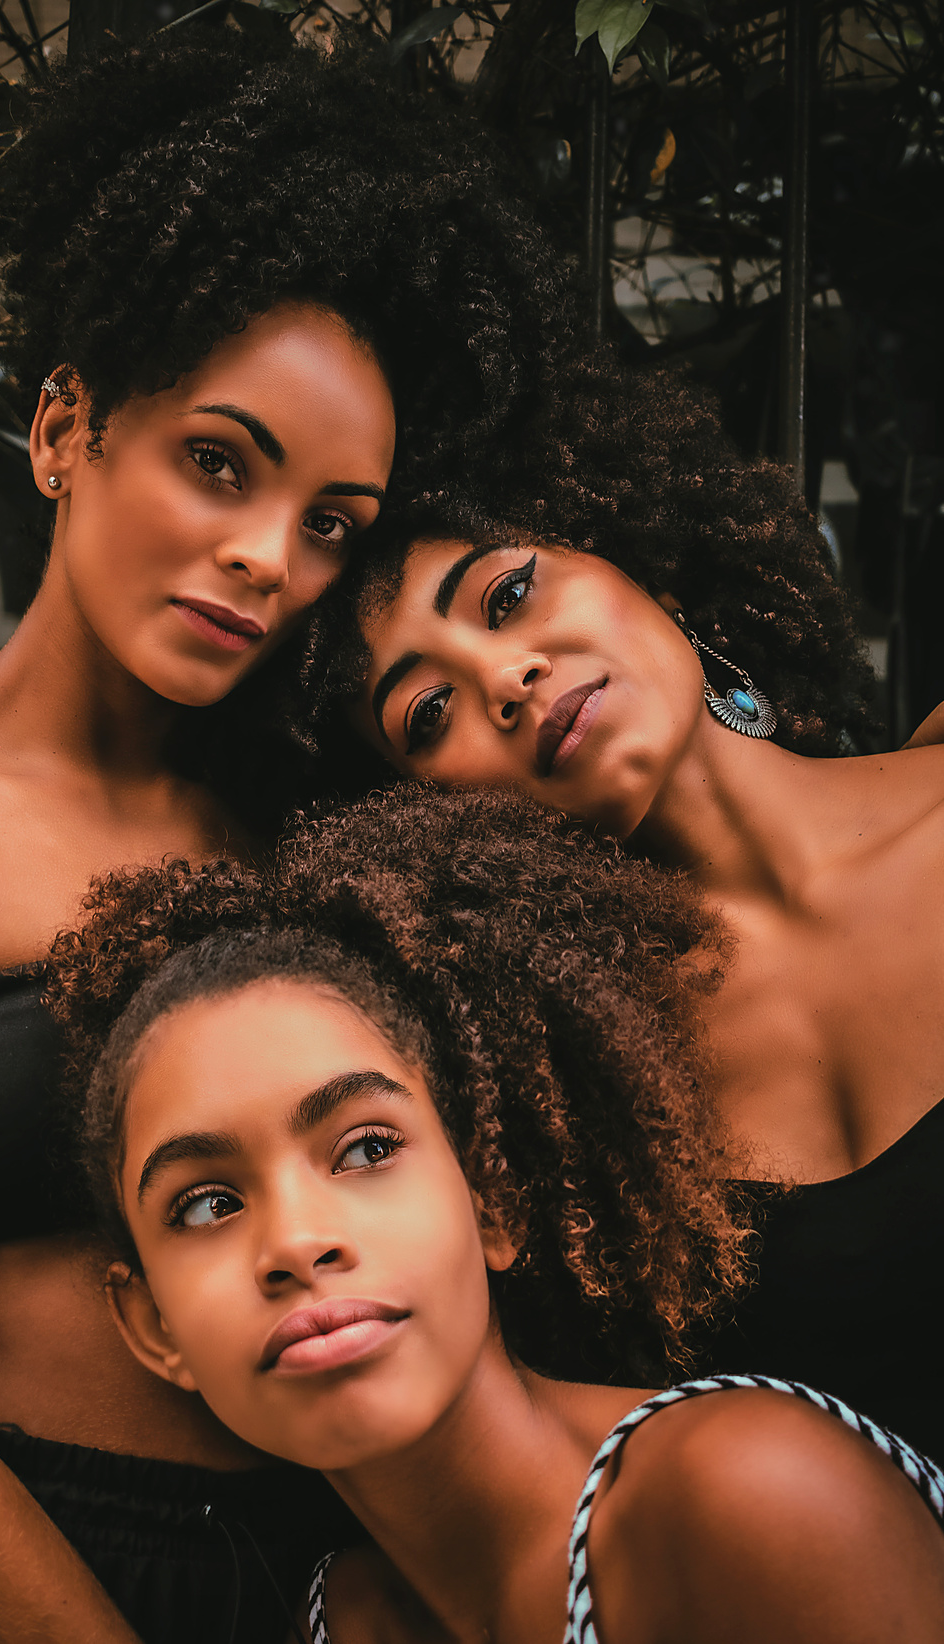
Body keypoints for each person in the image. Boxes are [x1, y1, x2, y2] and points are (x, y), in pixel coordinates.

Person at [0, 25, 572, 1644]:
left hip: (360, 1569)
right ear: (65, 426)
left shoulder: (316, 815)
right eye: (219, 464)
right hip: (23, 1565)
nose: (269, 557)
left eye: (330, 522)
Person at [42, 786, 944, 1644]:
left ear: (494, 1202)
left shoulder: (746, 1499)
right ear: (152, 1326)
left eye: (365, 1149)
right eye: (208, 1204)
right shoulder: (328, 1622)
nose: (296, 1243)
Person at [292, 354, 944, 1468]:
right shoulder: (574, 1096)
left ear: (649, 569)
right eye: (430, 709)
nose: (506, 679)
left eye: (506, 596)